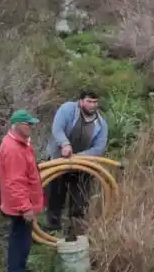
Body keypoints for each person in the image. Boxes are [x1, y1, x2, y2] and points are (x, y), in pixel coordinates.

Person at [44, 90, 108, 235]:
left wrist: (78, 157)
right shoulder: (68, 109)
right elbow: (57, 128)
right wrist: (65, 144)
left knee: (80, 198)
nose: (92, 105)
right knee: (56, 195)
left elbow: (98, 148)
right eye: (89, 101)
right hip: (58, 160)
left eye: (95, 102)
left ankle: (75, 229)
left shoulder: (101, 124)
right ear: (81, 101)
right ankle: (52, 228)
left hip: (83, 165)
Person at [0, 109, 45, 272]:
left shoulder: (21, 143)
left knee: (21, 237)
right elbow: (15, 182)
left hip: (21, 202)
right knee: (20, 240)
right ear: (17, 125)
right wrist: (25, 208)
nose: (31, 127)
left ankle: (18, 270)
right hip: (20, 205)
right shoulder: (13, 149)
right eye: (28, 124)